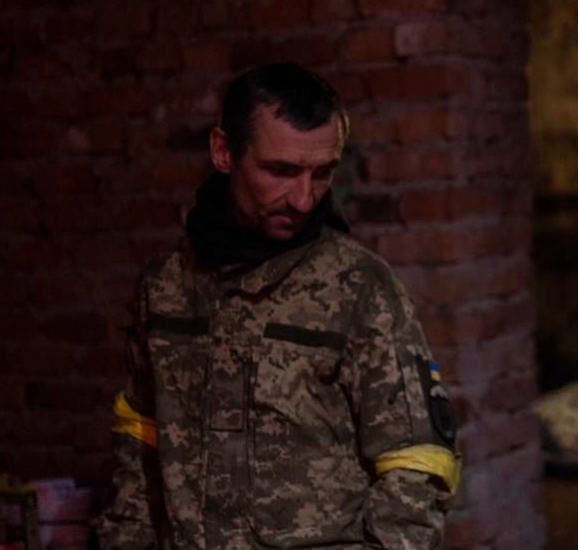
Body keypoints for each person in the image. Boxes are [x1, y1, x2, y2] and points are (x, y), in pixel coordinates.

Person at [99, 63, 458, 550]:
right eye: (282, 171)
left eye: (322, 173)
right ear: (224, 152)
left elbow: (419, 464)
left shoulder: (359, 287)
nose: (305, 199)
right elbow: (139, 442)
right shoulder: (165, 287)